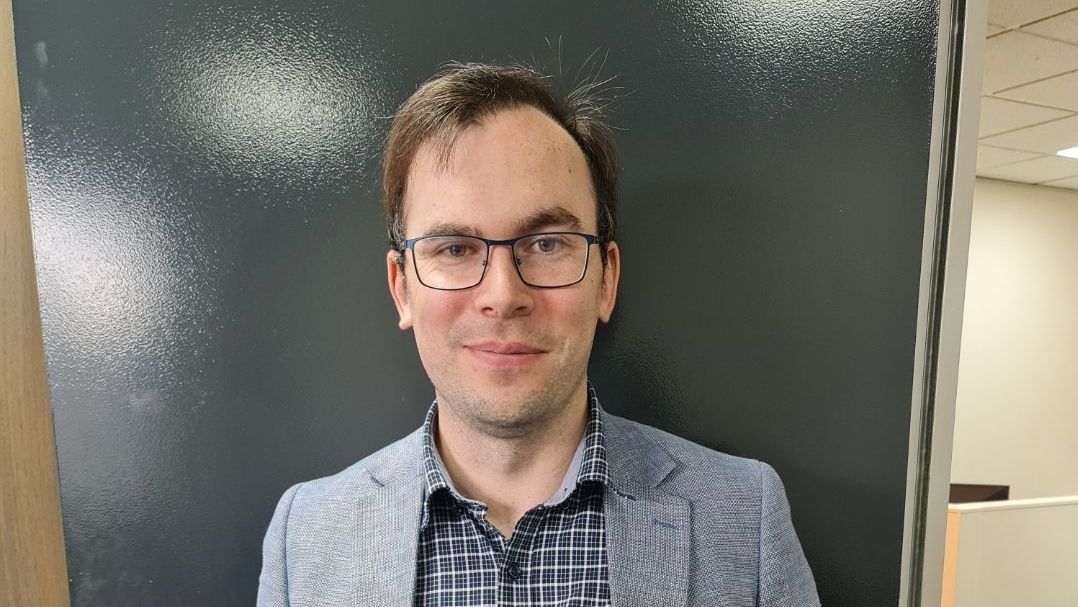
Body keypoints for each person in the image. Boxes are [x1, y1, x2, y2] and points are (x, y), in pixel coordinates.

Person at [257, 62, 820, 607]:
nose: (503, 296)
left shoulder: (744, 519)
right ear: (402, 288)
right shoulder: (305, 536)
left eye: (548, 243)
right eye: (455, 248)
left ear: (606, 280)